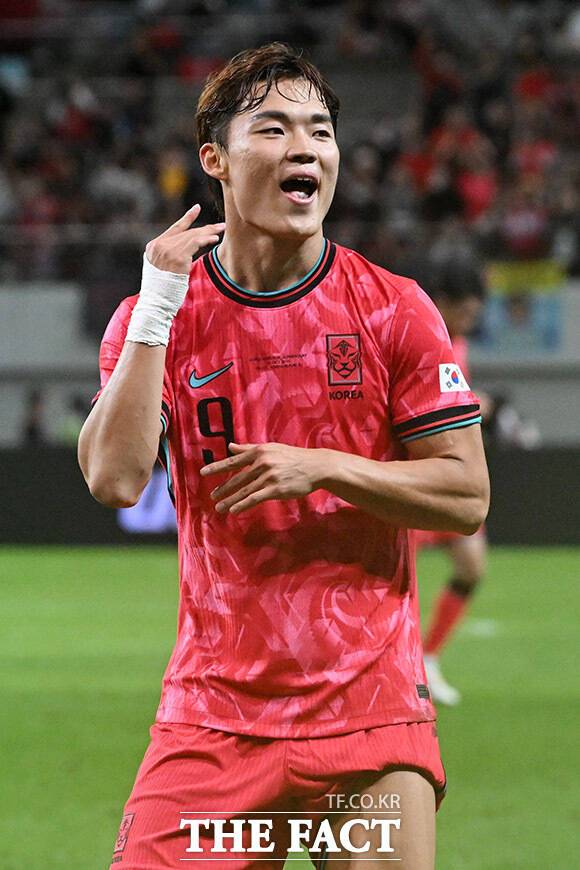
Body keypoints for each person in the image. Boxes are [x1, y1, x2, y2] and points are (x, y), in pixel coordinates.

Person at [78, 43, 489, 869]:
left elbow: (465, 495)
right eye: (274, 128)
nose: (306, 147)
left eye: (320, 131)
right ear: (216, 160)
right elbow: (115, 478)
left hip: (368, 716)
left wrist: (323, 466)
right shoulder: (158, 314)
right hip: (213, 716)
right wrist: (157, 308)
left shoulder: (394, 309)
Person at [417, 263, 489, 706]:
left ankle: (428, 658)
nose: (469, 320)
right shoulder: (419, 334)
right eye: (464, 312)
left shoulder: (457, 343)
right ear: (442, 303)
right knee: (393, 580)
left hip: (448, 477)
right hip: (413, 476)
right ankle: (399, 666)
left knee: (472, 567)